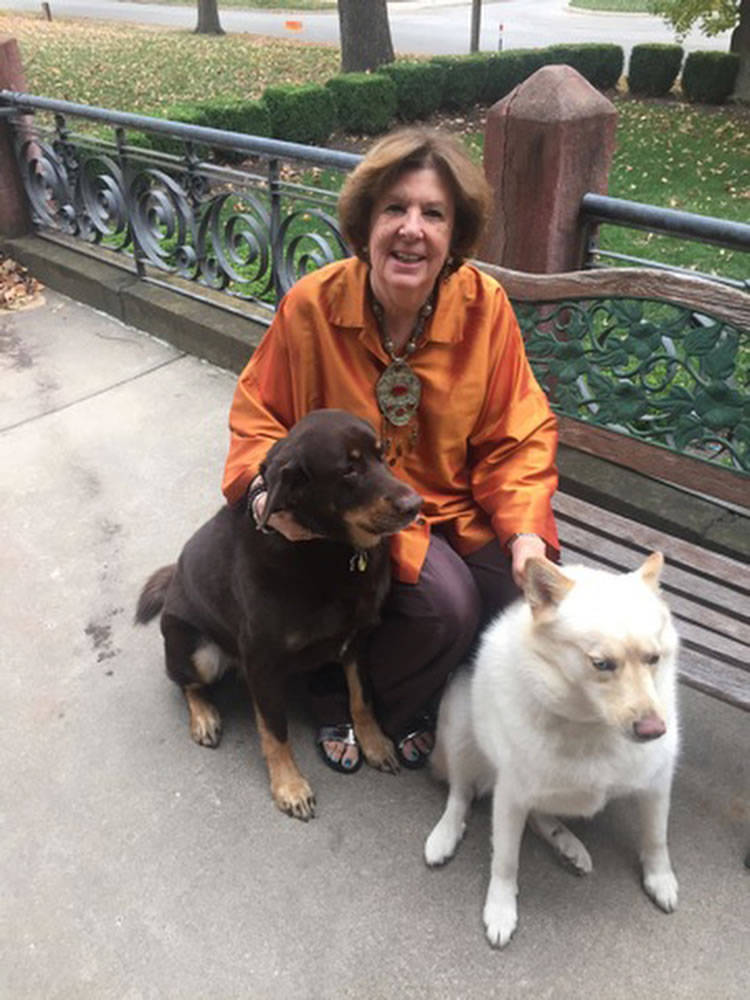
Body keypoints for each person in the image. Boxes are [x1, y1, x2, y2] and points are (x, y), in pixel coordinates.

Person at [222, 127, 559, 773]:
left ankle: (403, 695)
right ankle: (337, 698)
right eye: (395, 209)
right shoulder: (313, 306)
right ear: (365, 223)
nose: (413, 229)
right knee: (447, 606)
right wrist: (267, 498)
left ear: (454, 234)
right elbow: (258, 417)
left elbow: (518, 433)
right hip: (357, 518)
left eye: (433, 213)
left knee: (524, 595)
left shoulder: (485, 307)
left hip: (457, 504)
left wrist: (523, 532)